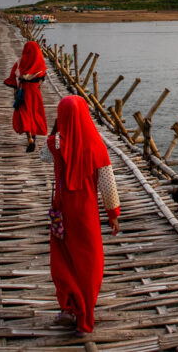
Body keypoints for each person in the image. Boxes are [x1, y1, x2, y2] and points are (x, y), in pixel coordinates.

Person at [40, 95, 120, 335]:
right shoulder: (96, 145)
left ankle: (68, 306)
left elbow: (42, 157)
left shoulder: (54, 143)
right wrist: (113, 214)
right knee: (89, 262)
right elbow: (108, 184)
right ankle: (85, 313)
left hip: (61, 212)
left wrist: (56, 132)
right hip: (87, 215)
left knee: (63, 259)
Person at [4, 40, 48, 152]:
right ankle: (33, 137)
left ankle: (29, 137)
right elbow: (42, 79)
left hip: (22, 91)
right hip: (34, 93)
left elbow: (12, 78)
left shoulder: (19, 63)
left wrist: (15, 91)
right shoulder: (40, 64)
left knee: (24, 113)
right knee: (34, 113)